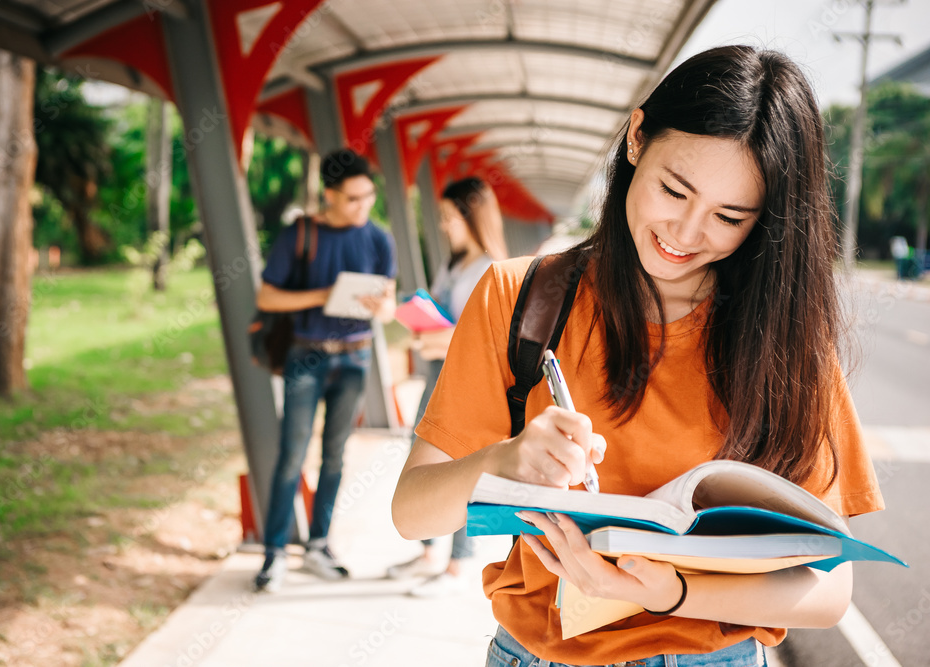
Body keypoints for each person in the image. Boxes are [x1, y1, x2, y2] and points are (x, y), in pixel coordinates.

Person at [392, 45, 885, 666]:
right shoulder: (520, 298)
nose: (685, 233)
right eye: (674, 190)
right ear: (636, 138)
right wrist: (506, 460)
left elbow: (829, 590)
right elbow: (412, 514)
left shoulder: (787, 345)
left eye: (729, 218)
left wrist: (675, 592)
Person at [254, 148, 397, 593]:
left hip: (355, 355)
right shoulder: (299, 235)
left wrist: (383, 306)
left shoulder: (379, 239)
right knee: (291, 455)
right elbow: (267, 299)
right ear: (330, 196)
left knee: (335, 455)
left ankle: (319, 544)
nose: (362, 206)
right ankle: (274, 553)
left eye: (368, 196)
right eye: (352, 199)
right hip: (306, 355)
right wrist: (324, 295)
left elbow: (389, 305)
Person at [386, 176, 509, 597]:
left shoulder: (490, 269)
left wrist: (441, 335)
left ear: (470, 215)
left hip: (469, 380)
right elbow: (440, 309)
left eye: (448, 217)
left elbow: (485, 335)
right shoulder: (455, 263)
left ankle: (457, 562)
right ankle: (428, 552)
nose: (443, 225)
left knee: (462, 465)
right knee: (419, 454)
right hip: (439, 373)